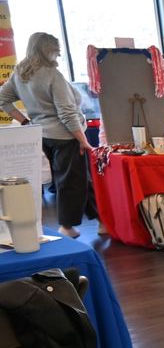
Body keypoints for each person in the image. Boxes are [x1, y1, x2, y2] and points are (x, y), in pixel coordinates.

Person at [0, 32, 99, 239]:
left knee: (78, 178)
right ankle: (67, 227)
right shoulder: (53, 75)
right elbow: (67, 113)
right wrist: (83, 140)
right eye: (56, 50)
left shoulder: (20, 73)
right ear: (47, 50)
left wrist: (26, 122)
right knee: (71, 181)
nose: (59, 54)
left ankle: (101, 219)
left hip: (42, 135)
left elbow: (3, 99)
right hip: (65, 136)